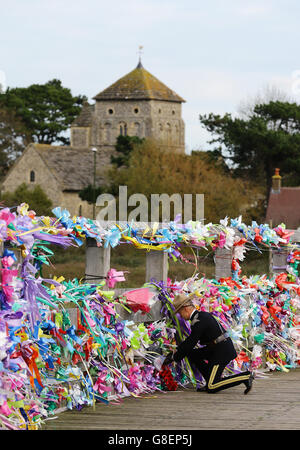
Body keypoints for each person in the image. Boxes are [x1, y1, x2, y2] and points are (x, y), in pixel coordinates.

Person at [164, 293, 254, 394]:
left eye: (179, 313)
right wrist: (176, 353)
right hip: (215, 348)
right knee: (192, 354)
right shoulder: (200, 316)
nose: (180, 316)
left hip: (221, 351)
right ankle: (209, 381)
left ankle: (245, 376)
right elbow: (190, 341)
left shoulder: (199, 320)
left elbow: (191, 342)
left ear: (185, 309)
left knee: (212, 387)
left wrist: (174, 357)